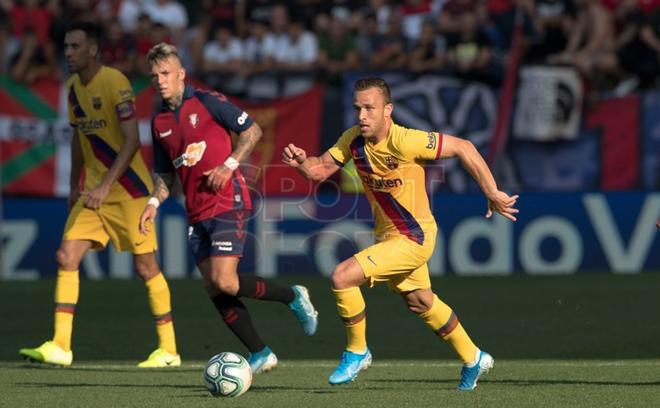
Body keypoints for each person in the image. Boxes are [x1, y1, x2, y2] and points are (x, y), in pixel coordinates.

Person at [282, 77, 519, 390]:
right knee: (420, 301)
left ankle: (357, 350)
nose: (362, 115)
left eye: (370, 108)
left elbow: (465, 147)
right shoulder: (353, 140)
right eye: (358, 108)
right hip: (389, 237)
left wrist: (491, 191)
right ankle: (474, 357)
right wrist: (301, 163)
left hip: (415, 237)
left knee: (342, 277)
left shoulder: (406, 141)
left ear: (387, 110)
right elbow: (319, 170)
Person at [140, 42, 319, 374]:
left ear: (181, 74)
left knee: (225, 281)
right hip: (195, 211)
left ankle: (292, 296)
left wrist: (228, 165)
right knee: (213, 286)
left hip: (228, 202)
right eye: (154, 76)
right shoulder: (159, 122)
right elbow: (165, 175)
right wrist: (153, 202)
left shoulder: (208, 102)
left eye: (166, 73)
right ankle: (260, 352)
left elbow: (253, 131)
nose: (160, 80)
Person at [19, 22, 180, 368]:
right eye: (65, 47)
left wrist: (106, 184)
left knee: (146, 266)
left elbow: (132, 140)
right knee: (66, 256)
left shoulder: (115, 82)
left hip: (130, 191)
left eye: (75, 46)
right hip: (93, 190)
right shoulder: (73, 87)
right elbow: (79, 137)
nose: (68, 53)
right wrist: (75, 182)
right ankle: (61, 346)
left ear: (92, 50)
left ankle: (169, 349)